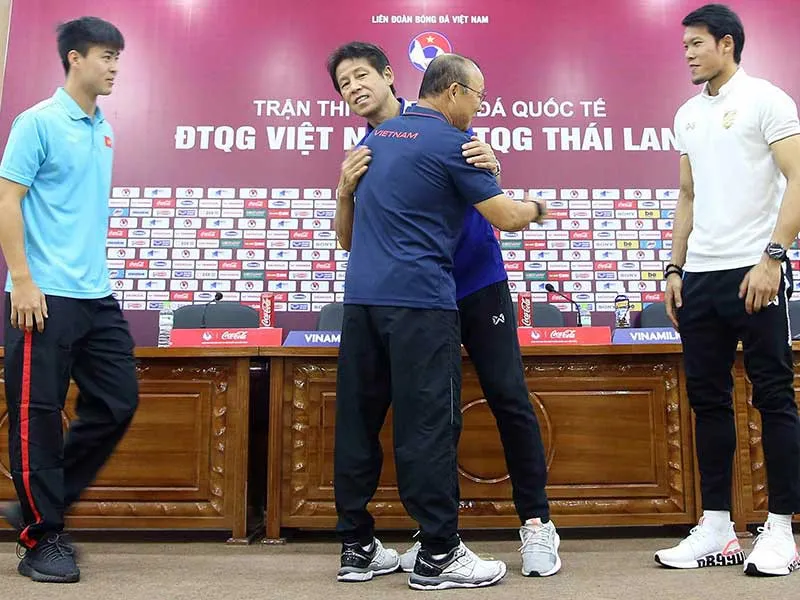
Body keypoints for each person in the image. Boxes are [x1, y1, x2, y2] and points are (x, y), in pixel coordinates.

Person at [327, 41, 560, 579]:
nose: (355, 88)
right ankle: (435, 539)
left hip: (474, 283)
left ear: (390, 76)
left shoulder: (448, 130)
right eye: (344, 84)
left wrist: (494, 165)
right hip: (416, 294)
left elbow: (495, 205)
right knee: (429, 413)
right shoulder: (370, 147)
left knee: (507, 398)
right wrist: (342, 192)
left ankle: (536, 522)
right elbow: (350, 239)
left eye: (361, 76)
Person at [656, 4, 800, 576]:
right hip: (701, 279)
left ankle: (782, 530)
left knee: (774, 398)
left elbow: (798, 178)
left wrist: (773, 257)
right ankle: (717, 528)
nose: (688, 53)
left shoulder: (767, 100)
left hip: (755, 272)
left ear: (727, 44)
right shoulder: (687, 115)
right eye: (684, 45)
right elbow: (688, 195)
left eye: (697, 43)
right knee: (707, 401)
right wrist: (674, 269)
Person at [0, 17, 138, 583]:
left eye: (118, 57)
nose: (114, 67)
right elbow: (8, 200)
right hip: (42, 295)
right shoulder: (38, 122)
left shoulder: (103, 128)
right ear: (74, 58)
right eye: (105, 56)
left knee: (118, 401)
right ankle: (41, 537)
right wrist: (22, 279)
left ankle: (42, 501)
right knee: (37, 417)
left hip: (94, 295)